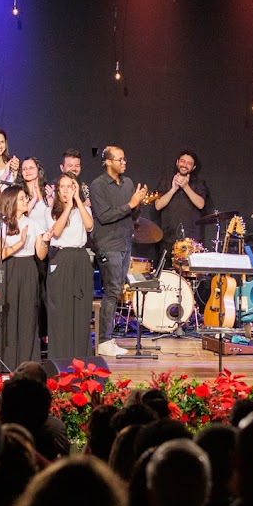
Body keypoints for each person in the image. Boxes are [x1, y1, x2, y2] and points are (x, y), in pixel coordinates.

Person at [91, 146, 147, 358]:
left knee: (117, 290)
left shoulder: (128, 183)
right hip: (108, 243)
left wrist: (137, 203)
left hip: (125, 243)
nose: (124, 162)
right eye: (120, 159)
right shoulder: (98, 185)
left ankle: (109, 339)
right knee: (112, 290)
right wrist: (130, 204)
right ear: (108, 162)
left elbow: (133, 214)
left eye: (125, 159)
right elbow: (104, 216)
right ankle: (104, 340)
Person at [0, 185, 46, 367]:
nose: (26, 201)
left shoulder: (33, 223)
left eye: (26, 197)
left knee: (28, 313)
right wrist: (21, 242)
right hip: (9, 268)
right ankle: (7, 362)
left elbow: (40, 254)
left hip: (28, 268)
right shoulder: (1, 224)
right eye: (22, 198)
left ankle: (28, 362)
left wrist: (44, 241)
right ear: (11, 202)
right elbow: (0, 254)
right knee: (9, 314)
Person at [46, 174, 95, 361]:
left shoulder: (83, 209)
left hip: (80, 257)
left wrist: (78, 202)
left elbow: (90, 226)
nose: (66, 190)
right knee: (61, 310)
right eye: (63, 187)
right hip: (61, 257)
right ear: (58, 190)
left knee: (81, 310)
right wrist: (67, 207)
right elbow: (56, 232)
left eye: (70, 186)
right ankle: (60, 358)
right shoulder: (51, 211)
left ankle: (81, 358)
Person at [153, 150, 211, 245]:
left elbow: (201, 204)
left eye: (189, 163)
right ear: (177, 162)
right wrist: (173, 189)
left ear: (193, 167)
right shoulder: (166, 181)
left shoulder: (199, 183)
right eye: (182, 161)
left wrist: (185, 187)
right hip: (168, 236)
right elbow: (158, 205)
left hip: (191, 239)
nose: (184, 165)